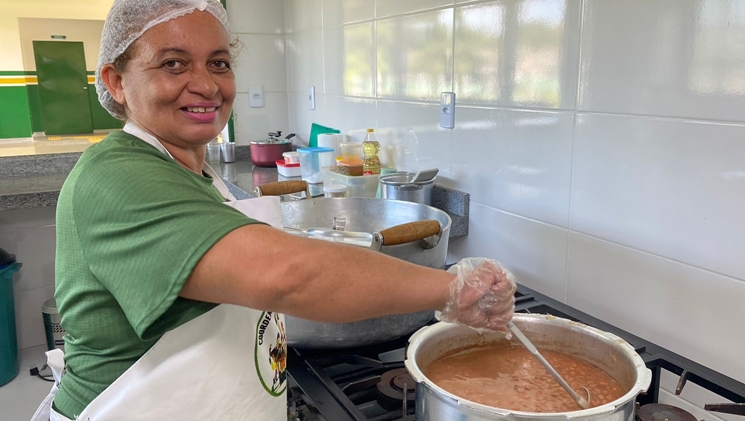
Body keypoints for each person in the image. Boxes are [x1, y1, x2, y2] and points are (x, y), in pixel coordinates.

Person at [31, 1, 516, 420]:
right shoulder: (116, 175)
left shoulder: (197, 175)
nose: (205, 85)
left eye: (218, 63)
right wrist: (452, 289)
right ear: (116, 82)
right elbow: (289, 275)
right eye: (174, 64)